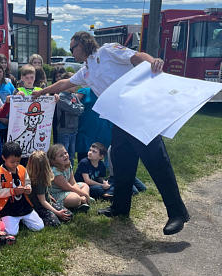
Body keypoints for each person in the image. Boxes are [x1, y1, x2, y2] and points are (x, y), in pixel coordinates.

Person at [32, 31, 190, 235]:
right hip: (119, 119)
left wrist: (153, 61)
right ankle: (120, 207)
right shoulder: (86, 70)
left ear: (83, 43)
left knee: (157, 161)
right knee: (122, 162)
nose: (72, 52)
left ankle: (177, 213)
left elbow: (136, 56)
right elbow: (65, 84)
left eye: (73, 48)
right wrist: (41, 92)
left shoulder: (107, 50)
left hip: (139, 114)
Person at [0, 142, 44, 235]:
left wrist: (28, 188)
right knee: (11, 232)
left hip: (24, 206)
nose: (15, 164)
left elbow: (28, 182)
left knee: (39, 226)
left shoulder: (22, 169)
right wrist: (12, 191)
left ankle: (21, 220)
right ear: (4, 158)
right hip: (8, 207)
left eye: (18, 161)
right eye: (12, 162)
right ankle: (2, 216)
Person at [26, 151, 72, 226]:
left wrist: (49, 196)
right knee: (55, 223)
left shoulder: (40, 177)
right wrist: (57, 213)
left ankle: (55, 212)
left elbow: (44, 194)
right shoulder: (38, 181)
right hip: (40, 208)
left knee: (68, 215)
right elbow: (43, 201)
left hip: (48, 202)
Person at [47, 144, 91, 212]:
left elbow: (73, 183)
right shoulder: (54, 171)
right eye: (61, 155)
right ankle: (81, 201)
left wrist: (81, 193)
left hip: (68, 190)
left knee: (85, 185)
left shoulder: (67, 164)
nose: (65, 156)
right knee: (75, 199)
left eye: (65, 153)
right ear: (53, 160)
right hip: (57, 194)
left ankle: (81, 201)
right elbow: (68, 187)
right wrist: (84, 194)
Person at [55, 72, 84, 166]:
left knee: (71, 154)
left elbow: (81, 108)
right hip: (64, 131)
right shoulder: (61, 97)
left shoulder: (74, 96)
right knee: (63, 155)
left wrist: (77, 108)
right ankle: (62, 173)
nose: (76, 85)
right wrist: (77, 108)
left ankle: (69, 173)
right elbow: (74, 109)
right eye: (74, 83)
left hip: (74, 130)